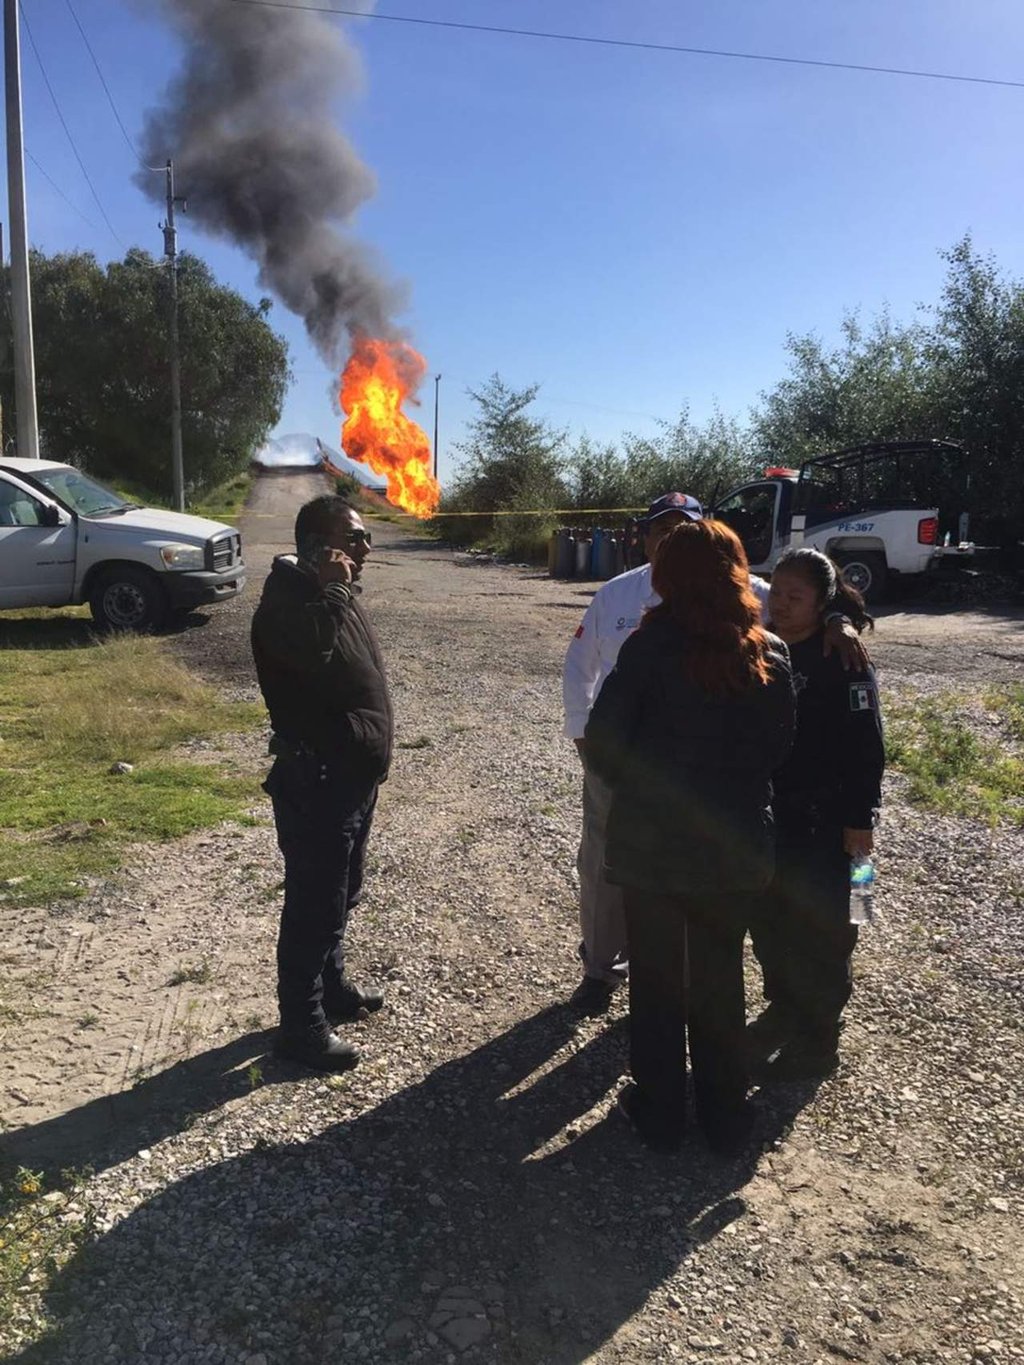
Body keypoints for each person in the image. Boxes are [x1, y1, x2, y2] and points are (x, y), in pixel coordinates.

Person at [561, 494, 859, 1014]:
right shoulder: (616, 595)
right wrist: (585, 740)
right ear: (648, 538)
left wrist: (839, 619)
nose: (669, 539)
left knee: (693, 889)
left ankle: (691, 987)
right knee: (603, 871)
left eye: (683, 530)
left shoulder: (747, 592)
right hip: (627, 769)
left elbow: (803, 594)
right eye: (661, 530)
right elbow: (578, 666)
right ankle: (601, 970)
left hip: (708, 783)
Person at [584, 520, 795, 1154]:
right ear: (737, 571)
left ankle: (661, 1115)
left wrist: (647, 789)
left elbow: (602, 745)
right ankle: (727, 1119)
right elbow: (779, 752)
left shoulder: (649, 649)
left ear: (666, 578)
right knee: (720, 980)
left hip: (653, 850)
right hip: (732, 850)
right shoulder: (770, 653)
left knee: (656, 984)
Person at [251, 495, 393, 1072]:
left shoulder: (330, 592)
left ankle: (332, 991)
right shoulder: (288, 599)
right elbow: (314, 653)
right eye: (354, 537)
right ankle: (302, 1029)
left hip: (352, 775)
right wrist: (335, 590)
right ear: (319, 544)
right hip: (319, 780)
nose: (366, 547)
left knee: (341, 891)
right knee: (313, 903)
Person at [748, 547, 885, 1083]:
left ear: (822, 601)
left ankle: (819, 1040)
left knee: (832, 928)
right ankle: (783, 1009)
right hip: (771, 818)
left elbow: (867, 748)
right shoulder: (767, 647)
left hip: (832, 824)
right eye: (775, 592)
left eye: (794, 597)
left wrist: (860, 820)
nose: (779, 604)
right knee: (768, 923)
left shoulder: (844, 659)